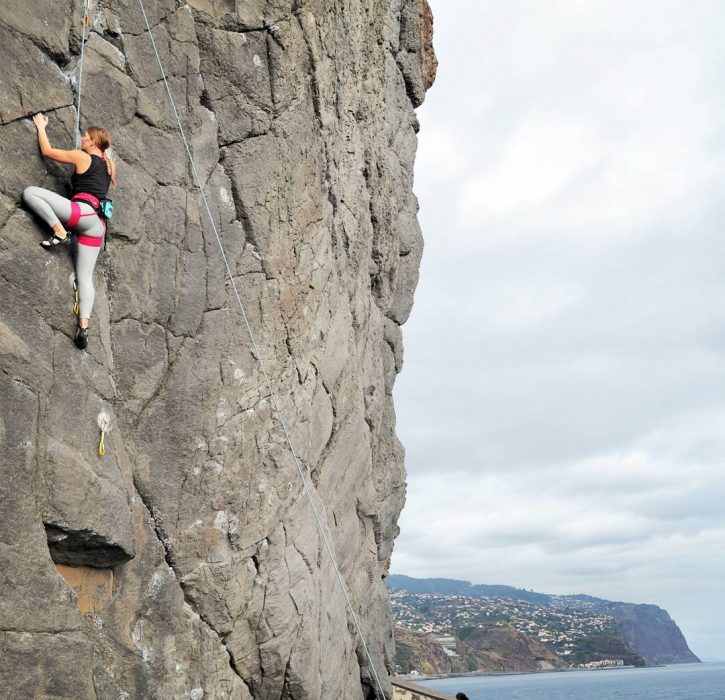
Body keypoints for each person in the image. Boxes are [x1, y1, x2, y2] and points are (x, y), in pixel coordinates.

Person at [23, 113, 117, 349]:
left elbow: (48, 152)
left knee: (31, 192)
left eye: (85, 137)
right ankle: (83, 327)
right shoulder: (108, 166)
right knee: (85, 277)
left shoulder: (82, 157)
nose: (82, 139)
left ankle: (59, 231)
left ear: (93, 142)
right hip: (97, 226)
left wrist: (41, 127)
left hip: (81, 213)